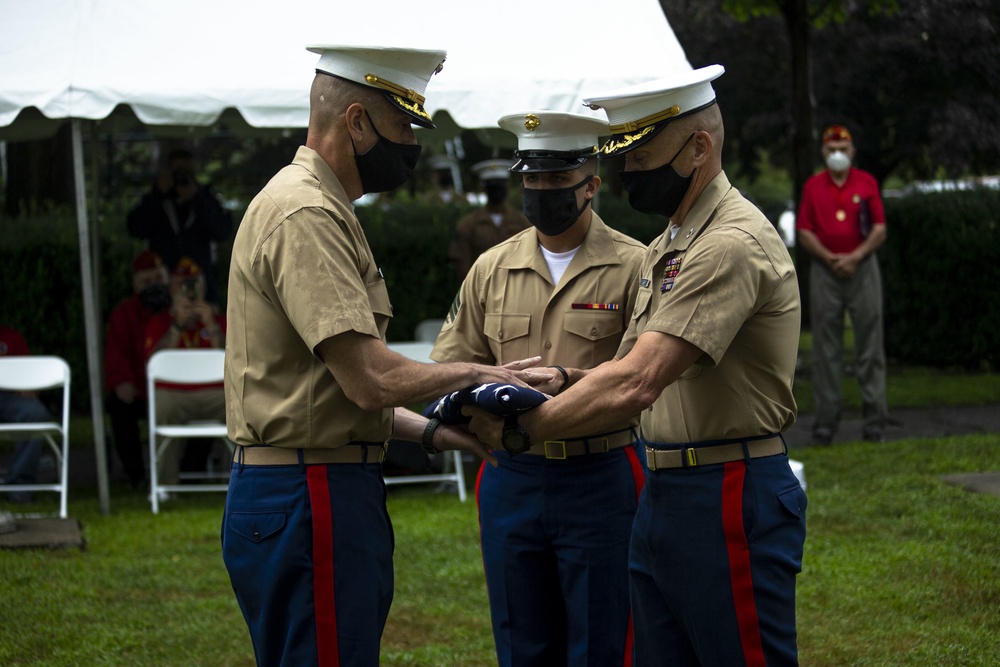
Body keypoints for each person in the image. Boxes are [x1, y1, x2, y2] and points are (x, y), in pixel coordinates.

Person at [464, 65, 807, 666]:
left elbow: (640, 379)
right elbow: (622, 364)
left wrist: (524, 430)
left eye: (643, 154)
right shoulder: (668, 247)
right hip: (668, 487)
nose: (628, 172)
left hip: (726, 487)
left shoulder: (727, 243)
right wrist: (563, 381)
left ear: (699, 147)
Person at [221, 44, 546, 667]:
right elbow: (370, 379)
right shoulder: (308, 213)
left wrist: (434, 435)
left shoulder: (314, 204)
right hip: (312, 493)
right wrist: (483, 372)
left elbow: (329, 391)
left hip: (302, 483)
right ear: (357, 123)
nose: (413, 147)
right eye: (403, 127)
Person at [432, 110, 647, 666]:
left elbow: (650, 377)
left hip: (600, 475)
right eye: (532, 180)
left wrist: (565, 383)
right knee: (521, 642)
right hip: (511, 477)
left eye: (556, 180)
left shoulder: (635, 266)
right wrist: (475, 399)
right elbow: (452, 362)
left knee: (604, 641)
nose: (541, 192)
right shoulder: (490, 268)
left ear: (591, 184)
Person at [796, 124, 889, 444]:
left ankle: (875, 421)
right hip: (825, 270)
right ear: (823, 152)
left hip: (862, 268)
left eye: (843, 150)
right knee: (826, 348)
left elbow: (878, 227)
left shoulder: (866, 183)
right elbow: (805, 230)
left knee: (870, 343)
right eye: (831, 149)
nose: (837, 155)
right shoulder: (813, 186)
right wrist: (830, 257)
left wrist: (855, 256)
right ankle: (825, 423)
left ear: (853, 152)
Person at [144, 257, 226, 496]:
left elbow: (235, 361)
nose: (190, 292)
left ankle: (244, 483)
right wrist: (177, 326)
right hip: (174, 394)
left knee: (244, 404)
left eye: (195, 284)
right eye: (183, 285)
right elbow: (152, 363)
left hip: (215, 394)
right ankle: (165, 487)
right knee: (161, 407)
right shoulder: (159, 322)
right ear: (172, 289)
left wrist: (211, 327)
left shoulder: (220, 320)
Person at [126, 148, 233, 304]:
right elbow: (135, 228)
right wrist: (158, 193)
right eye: (178, 172)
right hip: (163, 287)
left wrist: (198, 198)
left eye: (188, 172)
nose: (182, 177)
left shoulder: (206, 197)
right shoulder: (157, 199)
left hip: (201, 285)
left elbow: (223, 232)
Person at [104, 251, 171, 488]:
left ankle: (189, 470)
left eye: (159, 279)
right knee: (120, 407)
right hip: (139, 389)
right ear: (135, 285)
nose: (154, 286)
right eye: (147, 281)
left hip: (173, 389)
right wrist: (122, 381)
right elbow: (115, 353)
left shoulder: (177, 309)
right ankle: (136, 475)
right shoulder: (124, 313)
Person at [447, 158, 531, 279]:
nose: (496, 190)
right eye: (492, 186)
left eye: (500, 185)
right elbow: (462, 267)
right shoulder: (468, 225)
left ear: (508, 186)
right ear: (484, 189)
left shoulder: (522, 223)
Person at [0, 325, 52, 503]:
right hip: (8, 391)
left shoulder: (11, 336)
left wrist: (29, 385)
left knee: (34, 412)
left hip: (9, 397)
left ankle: (19, 486)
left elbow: (27, 373)